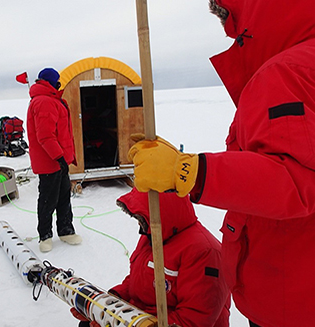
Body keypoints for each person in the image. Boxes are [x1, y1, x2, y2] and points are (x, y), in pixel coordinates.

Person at [127, 0, 315, 326]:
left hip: (293, 299)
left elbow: (294, 179)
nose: (231, 35)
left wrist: (188, 171)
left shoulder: (284, 73)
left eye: (230, 21)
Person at [71, 188, 230, 327]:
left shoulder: (204, 252)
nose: (140, 225)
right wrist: (109, 302)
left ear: (160, 215)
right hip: (141, 316)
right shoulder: (153, 236)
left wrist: (140, 323)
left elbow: (195, 318)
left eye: (142, 218)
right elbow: (138, 281)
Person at [26, 67, 81, 252]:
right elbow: (45, 136)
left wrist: (65, 158)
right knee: (48, 200)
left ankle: (66, 231)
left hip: (59, 160)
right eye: (57, 80)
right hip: (50, 161)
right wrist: (59, 158)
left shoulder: (52, 100)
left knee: (64, 196)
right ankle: (45, 236)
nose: (60, 84)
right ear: (50, 82)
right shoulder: (43, 102)